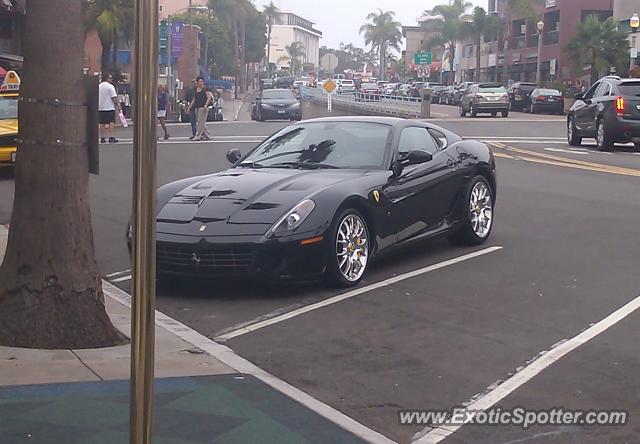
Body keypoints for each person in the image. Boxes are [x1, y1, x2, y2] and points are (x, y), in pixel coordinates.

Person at [98, 73, 121, 143]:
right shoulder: (110, 87)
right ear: (107, 78)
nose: (111, 79)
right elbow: (114, 97)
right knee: (111, 122)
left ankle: (102, 138)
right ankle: (111, 137)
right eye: (110, 78)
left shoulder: (99, 86)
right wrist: (118, 105)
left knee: (102, 123)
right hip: (109, 107)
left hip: (100, 107)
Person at [188, 77, 213, 141]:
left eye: (201, 81)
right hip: (197, 107)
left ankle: (198, 136)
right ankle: (208, 135)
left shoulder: (206, 89)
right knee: (201, 122)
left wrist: (206, 105)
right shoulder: (196, 89)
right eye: (199, 81)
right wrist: (190, 107)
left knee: (200, 123)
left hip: (203, 107)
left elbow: (209, 97)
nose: (200, 83)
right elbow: (194, 99)